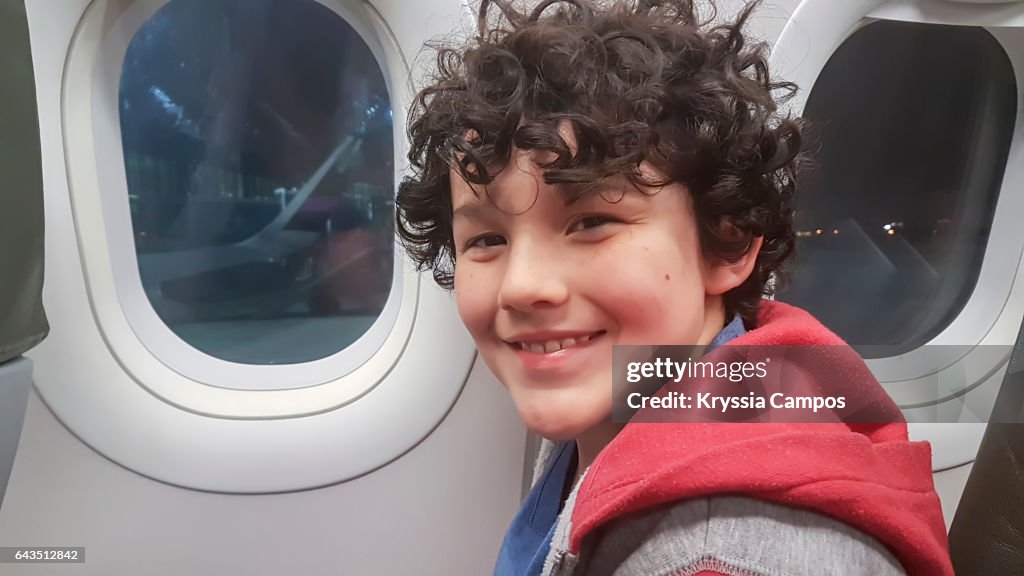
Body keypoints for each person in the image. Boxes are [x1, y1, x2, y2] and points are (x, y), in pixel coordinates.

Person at [395, 1, 953, 574]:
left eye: (591, 223)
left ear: (728, 243)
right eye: (486, 240)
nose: (522, 286)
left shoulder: (719, 555)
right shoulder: (615, 402)